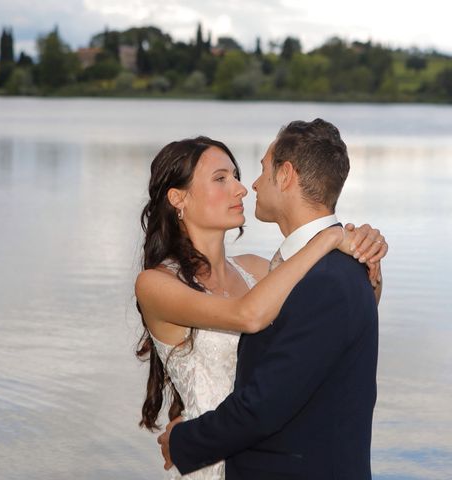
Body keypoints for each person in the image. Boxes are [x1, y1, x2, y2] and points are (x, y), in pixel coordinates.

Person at [152, 120, 381, 479]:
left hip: (234, 451)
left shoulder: (284, 274)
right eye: (221, 178)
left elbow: (324, 328)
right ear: (178, 198)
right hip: (219, 456)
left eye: (252, 172)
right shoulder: (157, 283)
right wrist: (331, 240)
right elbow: (257, 318)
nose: (246, 187)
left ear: (286, 175)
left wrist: (362, 262)